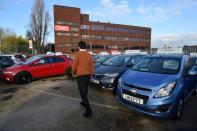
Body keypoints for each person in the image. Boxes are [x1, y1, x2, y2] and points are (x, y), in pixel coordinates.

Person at [72, 41, 94, 118]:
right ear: (85, 47)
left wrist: (73, 73)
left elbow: (74, 67)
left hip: (81, 76)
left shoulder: (78, 55)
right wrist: (91, 76)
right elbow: (92, 67)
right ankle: (84, 102)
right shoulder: (89, 55)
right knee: (85, 90)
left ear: (79, 47)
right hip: (88, 76)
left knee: (82, 92)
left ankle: (89, 111)